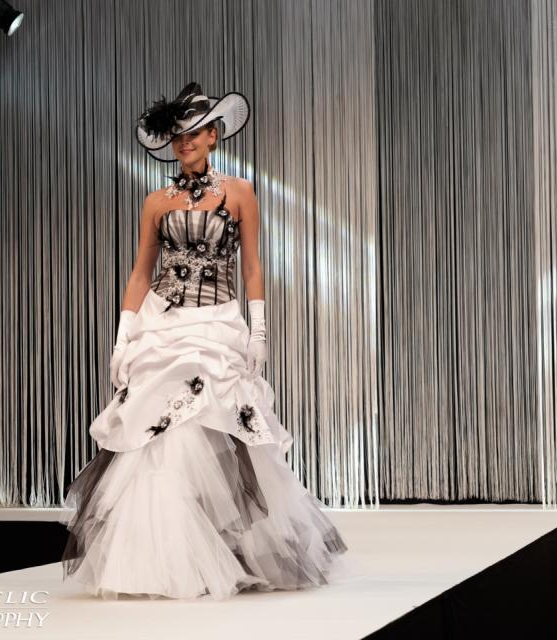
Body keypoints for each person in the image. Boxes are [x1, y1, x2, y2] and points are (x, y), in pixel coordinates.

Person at [60, 82, 350, 601]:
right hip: (164, 326)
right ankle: (158, 561)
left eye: (194, 132)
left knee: (217, 430)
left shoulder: (239, 192)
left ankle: (225, 551)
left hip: (215, 324)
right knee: (157, 439)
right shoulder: (156, 202)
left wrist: (258, 331)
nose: (185, 141)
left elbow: (254, 267)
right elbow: (140, 273)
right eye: (178, 135)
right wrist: (125, 339)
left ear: (214, 136)